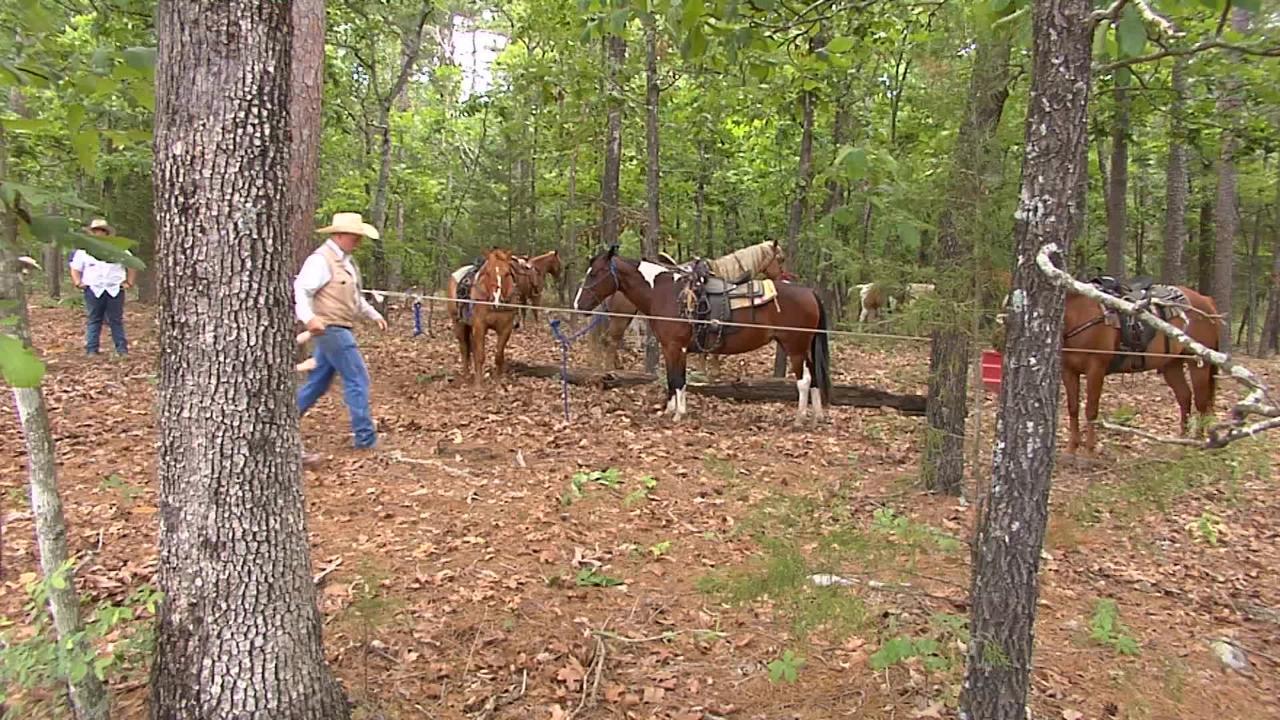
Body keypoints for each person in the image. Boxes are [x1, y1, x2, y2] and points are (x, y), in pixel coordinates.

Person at [294, 212, 388, 460]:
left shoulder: (346, 262)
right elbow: (301, 289)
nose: (358, 242)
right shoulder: (320, 260)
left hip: (338, 327)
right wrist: (308, 318)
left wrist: (373, 314)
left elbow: (354, 297)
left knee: (317, 383)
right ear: (339, 235)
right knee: (357, 379)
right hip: (331, 328)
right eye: (354, 237)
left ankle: (283, 421)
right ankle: (365, 438)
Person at [69, 218, 135, 357]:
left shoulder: (118, 249)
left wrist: (129, 282)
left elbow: (132, 264)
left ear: (106, 233)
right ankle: (92, 349)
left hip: (114, 289)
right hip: (93, 289)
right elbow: (75, 268)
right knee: (94, 319)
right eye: (95, 231)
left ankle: (121, 350)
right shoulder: (84, 251)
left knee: (115, 320)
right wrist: (78, 282)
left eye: (101, 231)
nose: (98, 234)